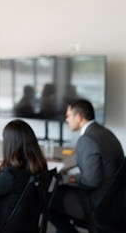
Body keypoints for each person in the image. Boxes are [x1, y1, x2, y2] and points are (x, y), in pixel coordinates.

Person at [49, 99, 124, 233]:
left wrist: (75, 179)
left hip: (97, 202)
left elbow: (91, 181)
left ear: (78, 117)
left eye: (68, 116)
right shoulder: (106, 133)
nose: (66, 120)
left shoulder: (87, 139)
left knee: (48, 199)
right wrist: (76, 177)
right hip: (115, 199)